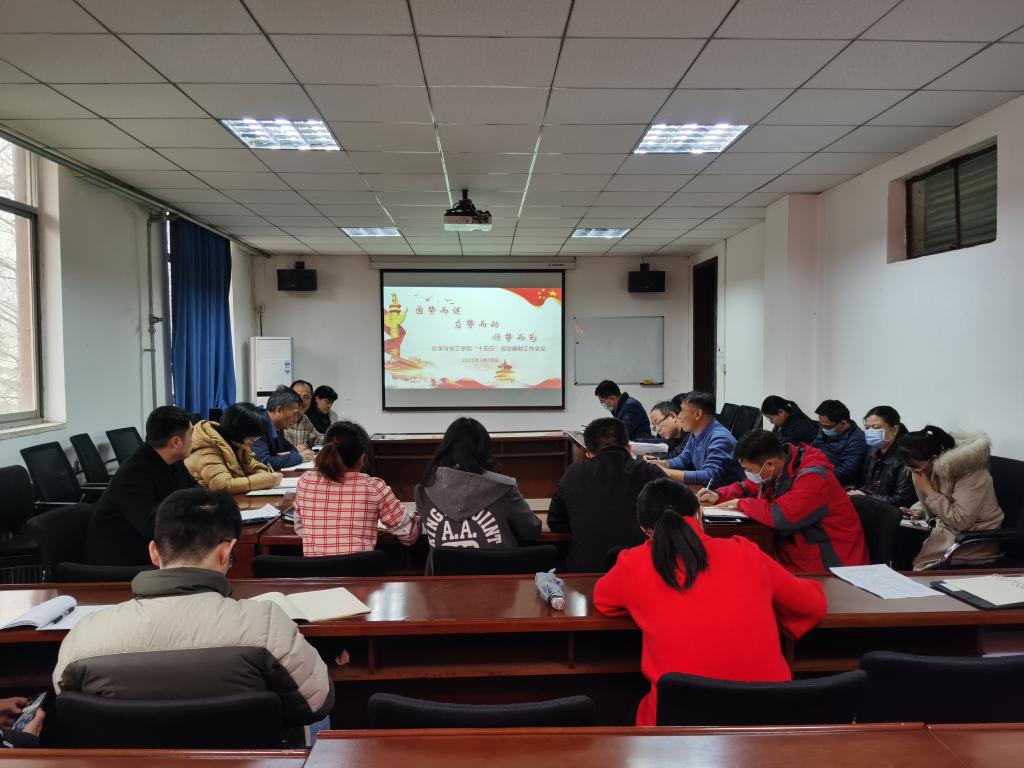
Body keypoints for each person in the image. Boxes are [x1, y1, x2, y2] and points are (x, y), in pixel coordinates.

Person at [53, 489, 334, 744]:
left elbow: (69, 709)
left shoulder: (85, 635)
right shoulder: (266, 625)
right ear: (226, 552)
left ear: (154, 552)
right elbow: (316, 703)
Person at [594, 478, 826, 726]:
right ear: (699, 513)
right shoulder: (745, 552)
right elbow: (812, 605)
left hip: (679, 729)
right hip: (767, 723)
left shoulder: (634, 564)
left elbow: (602, 599)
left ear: (645, 530)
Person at [700, 430, 869, 572]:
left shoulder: (814, 477)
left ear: (770, 465)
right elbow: (751, 485)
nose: (748, 474)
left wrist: (740, 503)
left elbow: (781, 515)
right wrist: (719, 495)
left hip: (830, 562)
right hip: (795, 549)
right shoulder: (785, 464)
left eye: (748, 469)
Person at [414, 417, 541, 570]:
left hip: (444, 583)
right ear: (485, 451)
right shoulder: (504, 487)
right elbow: (531, 531)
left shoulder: (423, 490)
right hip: (500, 581)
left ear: (445, 449)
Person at [548, 418, 665, 572]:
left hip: (587, 573)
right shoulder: (652, 473)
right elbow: (674, 519)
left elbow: (555, 522)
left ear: (588, 453)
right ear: (629, 449)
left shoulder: (573, 474)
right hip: (643, 570)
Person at [86, 406, 198, 566]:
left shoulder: (173, 462)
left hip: (156, 550)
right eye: (191, 434)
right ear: (175, 442)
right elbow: (154, 526)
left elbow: (197, 493)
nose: (193, 440)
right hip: (121, 562)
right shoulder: (134, 474)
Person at [295, 421, 418, 557]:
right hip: (361, 570)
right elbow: (408, 536)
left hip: (316, 570)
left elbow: (300, 528)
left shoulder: (305, 482)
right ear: (362, 458)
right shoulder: (374, 487)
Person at [898, 427, 1004, 570]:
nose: (912, 471)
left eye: (914, 466)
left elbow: (961, 521)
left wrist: (928, 491)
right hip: (946, 529)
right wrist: (919, 510)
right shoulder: (926, 467)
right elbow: (944, 496)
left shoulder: (971, 473)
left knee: (907, 553)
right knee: (897, 536)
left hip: (972, 538)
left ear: (934, 459)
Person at [646, 391, 745, 489]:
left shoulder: (720, 438)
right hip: (710, 491)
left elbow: (710, 477)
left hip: (729, 495)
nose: (679, 416)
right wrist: (662, 463)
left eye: (682, 410)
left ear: (698, 414)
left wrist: (667, 472)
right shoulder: (696, 433)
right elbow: (683, 459)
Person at [186, 402, 282, 494]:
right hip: (204, 502)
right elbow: (223, 486)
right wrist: (266, 480)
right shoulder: (209, 448)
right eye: (252, 437)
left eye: (256, 437)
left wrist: (265, 476)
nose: (254, 441)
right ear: (240, 431)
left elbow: (253, 466)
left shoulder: (237, 443)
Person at [847, 405, 916, 508]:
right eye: (867, 428)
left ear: (894, 430)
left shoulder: (905, 457)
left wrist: (866, 498)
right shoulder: (872, 449)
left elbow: (901, 500)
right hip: (869, 505)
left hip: (891, 511)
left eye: (876, 427)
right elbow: (863, 484)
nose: (870, 432)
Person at [253, 386, 313, 471]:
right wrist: (299, 458)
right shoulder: (258, 424)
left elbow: (290, 448)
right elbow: (264, 462)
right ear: (279, 410)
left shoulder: (278, 426)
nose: (296, 420)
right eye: (294, 414)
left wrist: (289, 455)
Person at [811, 399, 868, 486]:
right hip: (814, 470)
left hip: (834, 482)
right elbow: (812, 448)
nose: (823, 429)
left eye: (826, 426)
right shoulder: (826, 427)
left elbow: (845, 472)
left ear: (843, 423)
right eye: (821, 424)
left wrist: (816, 477)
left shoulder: (857, 440)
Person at [284, 380, 324, 449]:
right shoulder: (281, 418)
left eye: (306, 397)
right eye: (297, 396)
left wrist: (332, 437)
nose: (301, 401)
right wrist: (295, 452)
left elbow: (315, 438)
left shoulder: (304, 418)